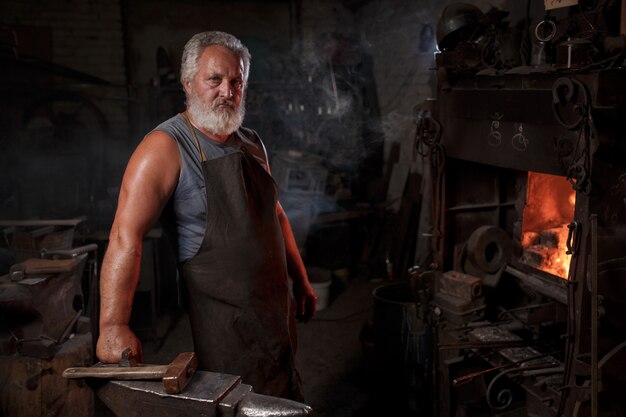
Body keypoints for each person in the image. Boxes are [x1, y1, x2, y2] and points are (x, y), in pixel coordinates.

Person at [96, 31, 317, 401]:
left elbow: (274, 215)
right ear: (188, 83)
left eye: (237, 82)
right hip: (223, 323)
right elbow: (125, 236)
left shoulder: (251, 142)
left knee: (283, 396)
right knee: (234, 402)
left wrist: (301, 278)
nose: (227, 91)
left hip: (274, 310)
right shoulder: (164, 148)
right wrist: (113, 324)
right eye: (214, 80)